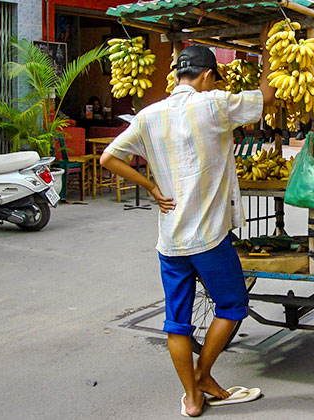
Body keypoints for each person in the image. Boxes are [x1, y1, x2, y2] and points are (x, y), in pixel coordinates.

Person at [99, 27, 275, 417]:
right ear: (208, 76)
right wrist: (266, 49)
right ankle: (202, 374)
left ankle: (193, 398)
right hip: (209, 238)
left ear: (178, 74)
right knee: (231, 306)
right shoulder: (214, 104)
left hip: (171, 241)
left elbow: (108, 158)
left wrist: (151, 185)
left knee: (176, 323)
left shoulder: (148, 114)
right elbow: (266, 97)